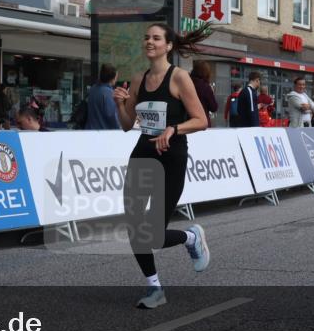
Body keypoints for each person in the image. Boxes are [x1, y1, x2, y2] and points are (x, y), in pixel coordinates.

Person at [112, 23, 212, 309]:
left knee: (154, 233)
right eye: (146, 37)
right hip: (143, 152)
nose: (149, 41)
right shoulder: (138, 78)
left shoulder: (179, 77)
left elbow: (201, 120)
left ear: (168, 46)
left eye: (156, 38)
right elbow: (128, 125)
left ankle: (191, 237)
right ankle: (154, 287)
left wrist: (173, 129)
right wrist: (120, 105)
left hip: (171, 156)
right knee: (134, 225)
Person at [86, 63, 119, 130]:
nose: (116, 79)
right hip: (103, 132)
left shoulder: (93, 89)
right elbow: (112, 116)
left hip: (90, 130)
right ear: (112, 78)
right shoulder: (109, 93)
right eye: (116, 77)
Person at [190, 60, 218, 127]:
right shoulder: (205, 87)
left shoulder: (188, 83)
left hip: (188, 122)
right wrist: (212, 93)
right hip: (202, 123)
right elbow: (213, 108)